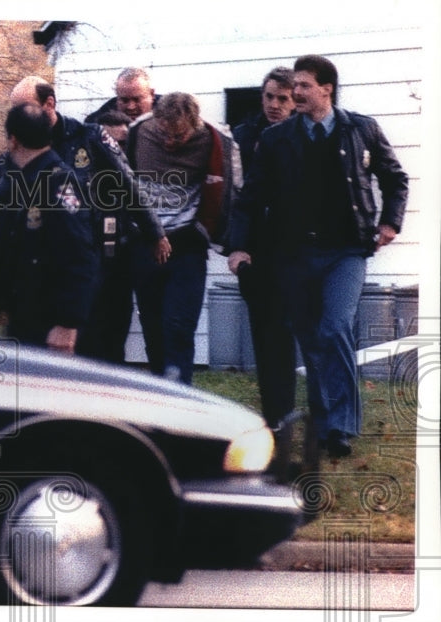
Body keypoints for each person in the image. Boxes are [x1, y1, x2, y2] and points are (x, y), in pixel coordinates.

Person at [227, 55, 408, 458]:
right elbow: (250, 199)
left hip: (346, 251)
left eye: (304, 86)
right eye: (295, 86)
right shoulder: (276, 140)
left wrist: (389, 223)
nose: (295, 93)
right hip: (294, 253)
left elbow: (395, 178)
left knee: (334, 326)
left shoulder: (361, 129)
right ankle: (327, 427)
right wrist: (238, 245)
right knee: (310, 338)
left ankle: (342, 424)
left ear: (327, 88)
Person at [0, 76, 166, 365]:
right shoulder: (19, 152)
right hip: (44, 269)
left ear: (49, 104)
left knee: (102, 352)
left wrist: (155, 233)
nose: (17, 117)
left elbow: (128, 185)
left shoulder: (89, 136)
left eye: (24, 108)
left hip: (101, 262)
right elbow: (5, 207)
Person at [0, 103, 97, 353]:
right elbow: (5, 253)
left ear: (13, 140)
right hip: (24, 312)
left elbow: (81, 257)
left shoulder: (59, 183)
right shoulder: (19, 183)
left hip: (53, 323)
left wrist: (67, 323)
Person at [126, 92, 241, 385]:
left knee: (179, 325)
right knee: (152, 326)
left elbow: (233, 190)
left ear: (195, 124)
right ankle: (159, 395)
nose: (169, 142)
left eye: (178, 136)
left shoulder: (217, 141)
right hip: (145, 242)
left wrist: (210, 232)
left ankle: (181, 397)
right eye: (163, 133)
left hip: (187, 244)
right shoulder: (138, 131)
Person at [231, 67, 299, 431]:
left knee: (293, 332)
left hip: (297, 248)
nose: (274, 105)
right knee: (266, 332)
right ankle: (275, 415)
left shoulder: (301, 136)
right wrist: (237, 246)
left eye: (283, 99)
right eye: (269, 97)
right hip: (257, 250)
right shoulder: (243, 136)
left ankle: (320, 420)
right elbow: (239, 197)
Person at [84, 67, 160, 124]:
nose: (131, 107)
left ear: (152, 94)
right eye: (124, 100)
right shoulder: (99, 121)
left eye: (137, 100)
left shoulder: (169, 112)